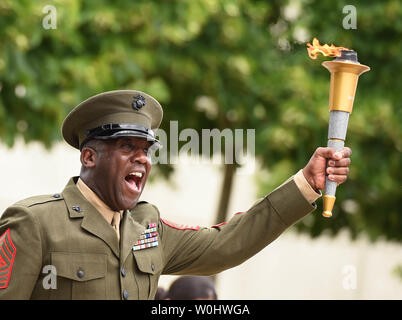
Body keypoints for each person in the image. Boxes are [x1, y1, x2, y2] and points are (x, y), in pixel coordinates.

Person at [0, 90, 352, 299]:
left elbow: (228, 243)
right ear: (89, 156)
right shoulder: (35, 223)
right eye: (126, 147)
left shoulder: (147, 228)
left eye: (146, 149)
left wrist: (307, 182)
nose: (141, 158)